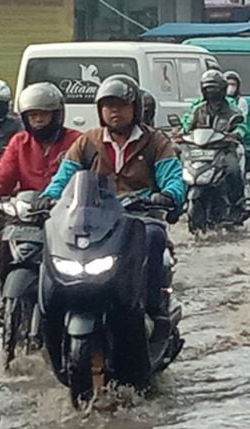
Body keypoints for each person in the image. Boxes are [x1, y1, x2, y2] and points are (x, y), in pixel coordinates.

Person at [39, 74, 185, 323]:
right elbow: (63, 178)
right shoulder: (87, 142)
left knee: (154, 236)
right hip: (96, 219)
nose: (113, 111)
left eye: (120, 105)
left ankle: (150, 309)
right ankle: (51, 314)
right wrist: (48, 198)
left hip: (140, 216)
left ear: (135, 108)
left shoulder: (157, 142)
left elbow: (173, 179)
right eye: (107, 106)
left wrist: (168, 195)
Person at [0, 82, 80, 286]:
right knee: (6, 241)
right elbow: (5, 177)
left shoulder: (77, 141)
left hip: (67, 216)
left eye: (43, 114)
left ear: (57, 115)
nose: (38, 120)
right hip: (27, 215)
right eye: (33, 115)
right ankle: (7, 297)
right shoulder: (19, 142)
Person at [182, 69, 249, 219]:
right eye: (208, 89)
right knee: (183, 167)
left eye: (214, 89)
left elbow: (244, 126)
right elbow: (187, 125)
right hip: (201, 150)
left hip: (224, 149)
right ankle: (180, 200)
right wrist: (181, 133)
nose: (211, 92)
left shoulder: (232, 110)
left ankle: (237, 204)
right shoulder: (198, 109)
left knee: (233, 170)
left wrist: (237, 133)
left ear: (222, 90)